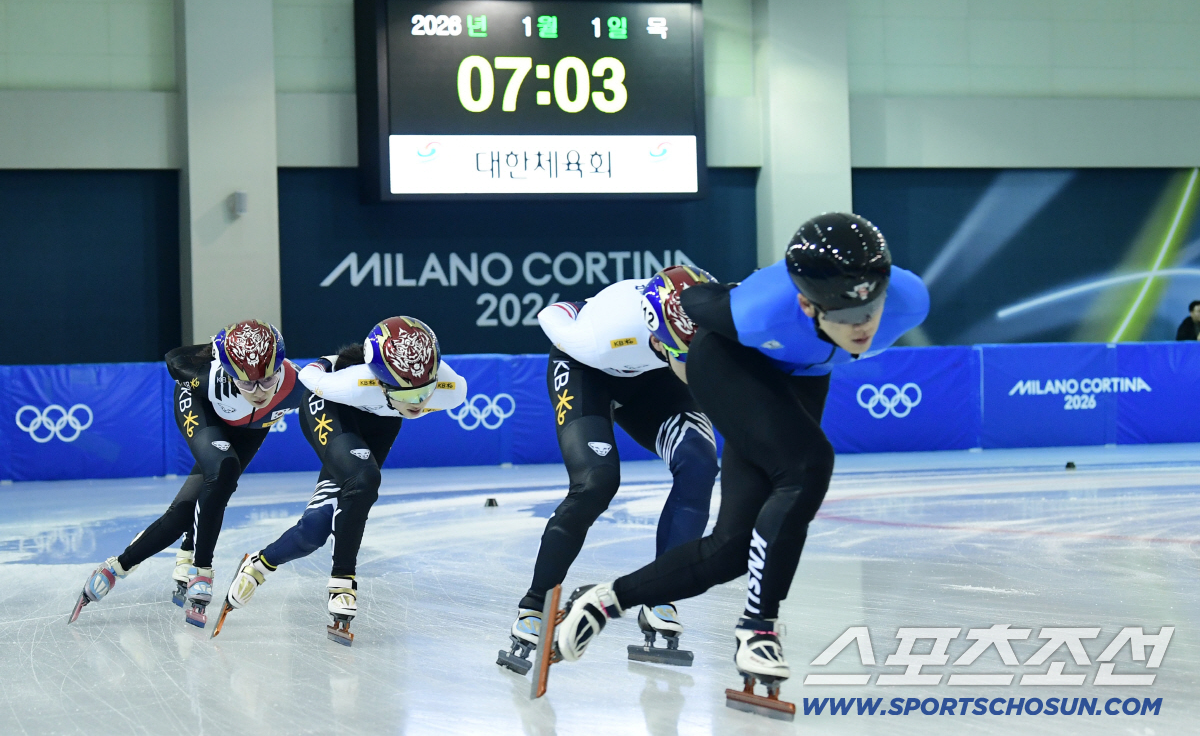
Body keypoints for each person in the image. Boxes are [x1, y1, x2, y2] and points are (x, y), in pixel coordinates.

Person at [548, 213, 930, 711]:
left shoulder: (910, 299)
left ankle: (604, 600)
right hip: (728, 362)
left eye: (871, 310)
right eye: (842, 314)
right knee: (807, 465)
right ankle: (758, 629)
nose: (861, 327)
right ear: (805, 302)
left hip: (803, 374)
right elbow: (695, 299)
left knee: (731, 550)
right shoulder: (757, 310)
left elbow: (854, 322)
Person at [497, 269, 720, 675]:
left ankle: (661, 595)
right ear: (656, 336)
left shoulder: (716, 318)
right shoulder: (600, 335)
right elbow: (554, 313)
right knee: (596, 482)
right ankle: (535, 604)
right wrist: (583, 309)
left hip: (653, 377)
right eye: (686, 351)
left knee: (700, 465)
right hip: (586, 370)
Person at [209, 316, 466, 645]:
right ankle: (343, 579)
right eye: (410, 394)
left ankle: (261, 564)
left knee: (316, 528)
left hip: (381, 423)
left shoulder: (451, 389)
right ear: (381, 381)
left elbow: (421, 395)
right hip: (331, 408)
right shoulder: (351, 383)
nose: (420, 403)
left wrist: (411, 396)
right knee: (365, 478)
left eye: (426, 392)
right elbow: (308, 376)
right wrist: (325, 363)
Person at [70, 320, 306, 626]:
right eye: (247, 383)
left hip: (251, 430)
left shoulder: (299, 384)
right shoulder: (206, 376)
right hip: (201, 408)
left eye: (267, 380)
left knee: (193, 505)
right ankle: (201, 570)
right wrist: (213, 349)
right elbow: (174, 358)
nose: (259, 391)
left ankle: (117, 567)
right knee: (223, 469)